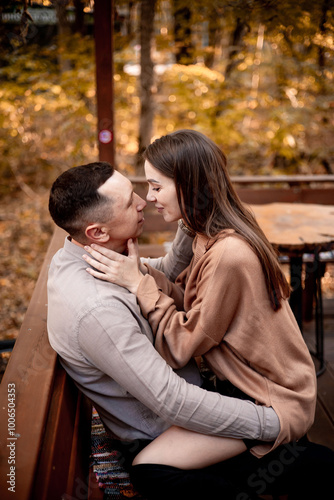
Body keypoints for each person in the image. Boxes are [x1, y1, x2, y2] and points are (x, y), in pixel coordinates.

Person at [84, 132, 334, 499]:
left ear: (187, 185)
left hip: (268, 399)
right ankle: (301, 467)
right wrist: (139, 274)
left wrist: (138, 285)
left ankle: (303, 464)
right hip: (239, 387)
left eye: (155, 186)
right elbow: (188, 297)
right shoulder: (204, 230)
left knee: (150, 470)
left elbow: (182, 345)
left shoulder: (228, 253)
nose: (148, 198)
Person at [47, 161, 282, 500]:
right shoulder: (98, 310)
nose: (143, 201)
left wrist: (190, 212)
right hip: (169, 436)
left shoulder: (91, 254)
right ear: (97, 231)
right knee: (308, 460)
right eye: (130, 201)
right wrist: (272, 423)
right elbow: (173, 401)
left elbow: (165, 275)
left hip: (193, 404)